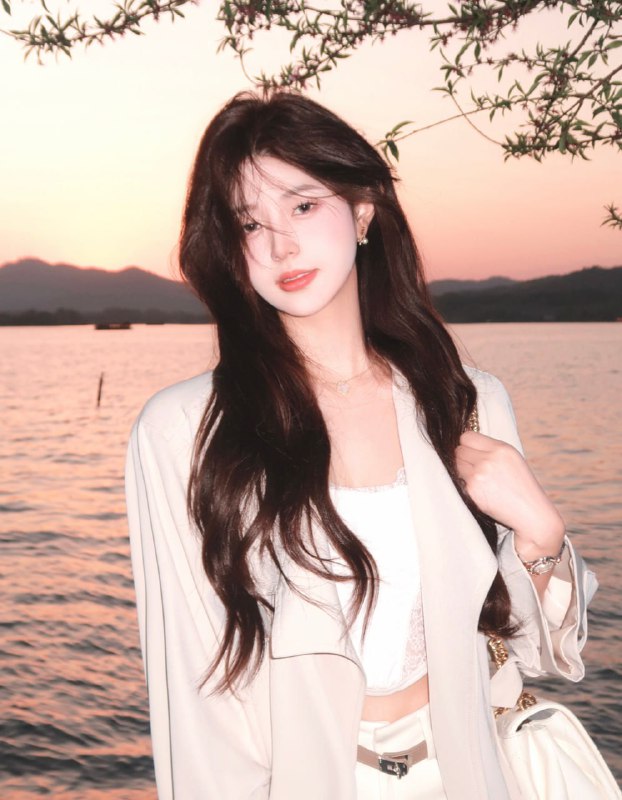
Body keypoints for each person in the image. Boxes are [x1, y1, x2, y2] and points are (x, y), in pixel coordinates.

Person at [125, 91, 597, 800]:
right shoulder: (185, 430)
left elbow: (539, 649)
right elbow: (197, 688)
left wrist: (542, 535)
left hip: (471, 771)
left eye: (303, 205)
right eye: (250, 222)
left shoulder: (465, 400)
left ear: (364, 211)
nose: (280, 244)